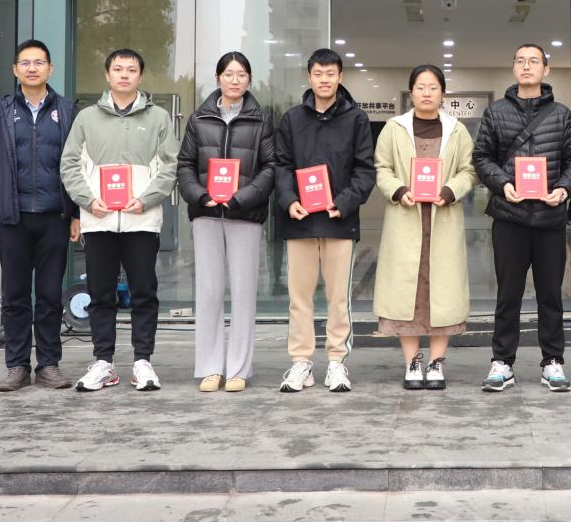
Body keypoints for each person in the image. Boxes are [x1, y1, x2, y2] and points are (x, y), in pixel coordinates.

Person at [59, 48, 178, 393]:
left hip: (141, 220)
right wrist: (87, 200)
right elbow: (70, 164)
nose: (124, 75)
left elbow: (170, 165)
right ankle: (103, 362)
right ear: (107, 75)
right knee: (100, 294)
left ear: (140, 76)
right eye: (118, 69)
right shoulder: (86, 118)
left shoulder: (158, 118)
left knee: (144, 292)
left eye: (131, 70)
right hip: (99, 220)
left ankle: (143, 362)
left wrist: (146, 199)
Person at [473, 43, 571, 393]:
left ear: (545, 69)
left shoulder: (561, 115)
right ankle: (502, 362)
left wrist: (562, 189)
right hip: (510, 216)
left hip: (549, 219)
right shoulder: (496, 112)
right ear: (513, 68)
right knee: (508, 294)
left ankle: (553, 362)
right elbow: (482, 157)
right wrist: (503, 185)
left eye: (534, 61)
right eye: (520, 60)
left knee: (551, 294)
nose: (526, 66)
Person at [0, 39, 79, 392]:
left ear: (50, 68)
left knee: (49, 295)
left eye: (39, 62)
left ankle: (48, 364)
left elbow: (80, 166)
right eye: (25, 63)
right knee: (15, 295)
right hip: (11, 217)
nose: (32, 68)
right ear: (15, 70)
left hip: (54, 217)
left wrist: (77, 213)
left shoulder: (68, 111)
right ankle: (17, 365)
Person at [274, 48, 375, 394]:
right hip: (300, 221)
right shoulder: (292, 119)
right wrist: (289, 200)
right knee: (298, 298)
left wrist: (343, 203)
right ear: (309, 77)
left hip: (339, 221)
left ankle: (336, 361)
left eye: (331, 74)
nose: (324, 80)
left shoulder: (356, 119)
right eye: (318, 74)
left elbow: (365, 170)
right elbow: (281, 165)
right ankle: (301, 362)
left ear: (340, 77)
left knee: (338, 299)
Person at [372, 65, 478, 391]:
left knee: (441, 294)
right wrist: (398, 190)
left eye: (433, 87)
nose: (427, 93)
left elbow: (468, 170)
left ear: (442, 93)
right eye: (420, 87)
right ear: (411, 92)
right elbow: (382, 168)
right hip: (405, 220)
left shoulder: (457, 130)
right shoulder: (394, 128)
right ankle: (412, 362)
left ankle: (436, 363)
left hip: (443, 221)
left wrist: (450, 190)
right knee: (408, 293)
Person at [177, 52, 275, 393]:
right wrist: (200, 195)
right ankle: (209, 368)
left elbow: (270, 168)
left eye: (242, 74)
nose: (235, 80)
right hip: (206, 214)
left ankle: (238, 369)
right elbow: (185, 164)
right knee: (209, 292)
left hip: (245, 215)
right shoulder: (199, 118)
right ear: (218, 78)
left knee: (244, 292)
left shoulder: (261, 120)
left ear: (249, 80)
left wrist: (241, 198)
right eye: (229, 74)